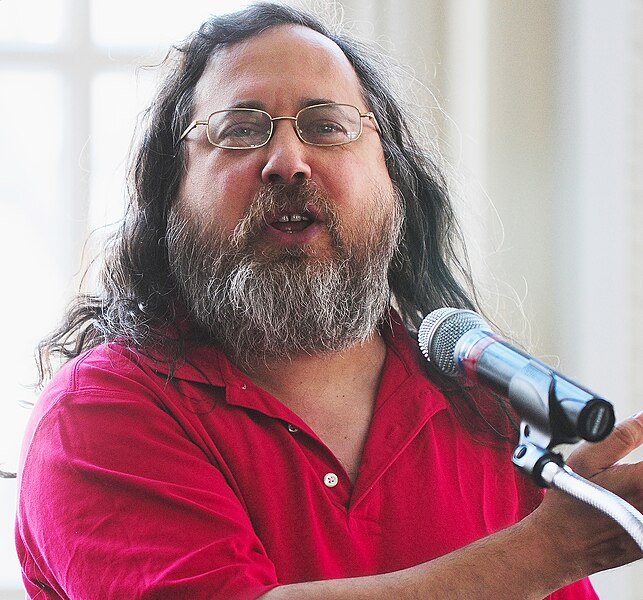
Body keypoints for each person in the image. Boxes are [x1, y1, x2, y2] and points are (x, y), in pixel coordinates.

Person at [16, 3, 642, 599]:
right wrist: (551, 548)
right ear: (170, 192)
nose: (288, 162)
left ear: (393, 180)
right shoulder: (97, 414)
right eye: (239, 131)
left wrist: (563, 539)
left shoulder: (481, 405)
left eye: (327, 127)